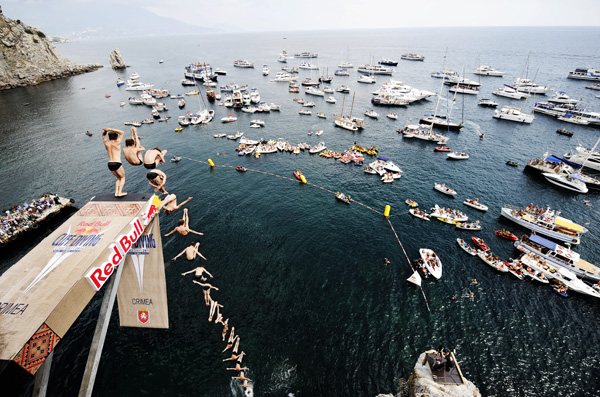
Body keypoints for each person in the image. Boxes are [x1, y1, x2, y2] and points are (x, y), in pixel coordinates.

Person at [102, 127, 126, 197]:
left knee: (119, 178)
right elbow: (122, 132)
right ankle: (120, 192)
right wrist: (109, 129)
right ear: (116, 136)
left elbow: (103, 136)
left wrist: (105, 132)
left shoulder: (107, 143)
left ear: (109, 137)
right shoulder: (117, 142)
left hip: (110, 164)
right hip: (117, 163)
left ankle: (116, 193)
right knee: (123, 177)